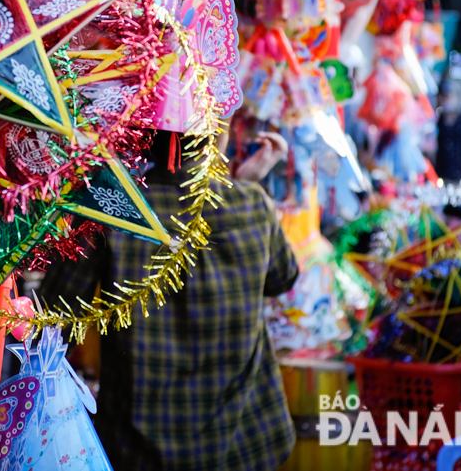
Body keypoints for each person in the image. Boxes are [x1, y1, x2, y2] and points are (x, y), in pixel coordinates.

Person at [39, 129, 299, 471]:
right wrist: (240, 185)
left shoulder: (110, 208)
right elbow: (283, 276)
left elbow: (52, 323)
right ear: (215, 130)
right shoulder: (253, 202)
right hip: (247, 442)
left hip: (139, 447)